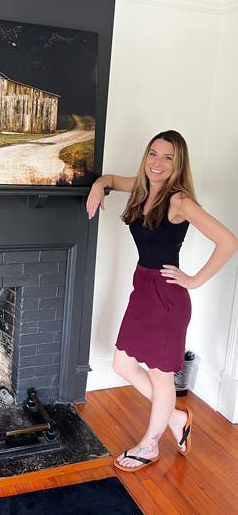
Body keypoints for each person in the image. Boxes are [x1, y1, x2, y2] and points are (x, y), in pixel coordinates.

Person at [86, 130, 238, 472]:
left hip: (167, 298)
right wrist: (99, 185)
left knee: (161, 377)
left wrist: (194, 280)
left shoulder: (179, 201)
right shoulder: (143, 186)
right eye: (153, 154)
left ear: (178, 163)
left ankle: (150, 445)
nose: (157, 162)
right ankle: (176, 417)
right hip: (142, 289)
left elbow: (229, 241)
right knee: (122, 365)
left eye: (167, 157)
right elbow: (110, 178)